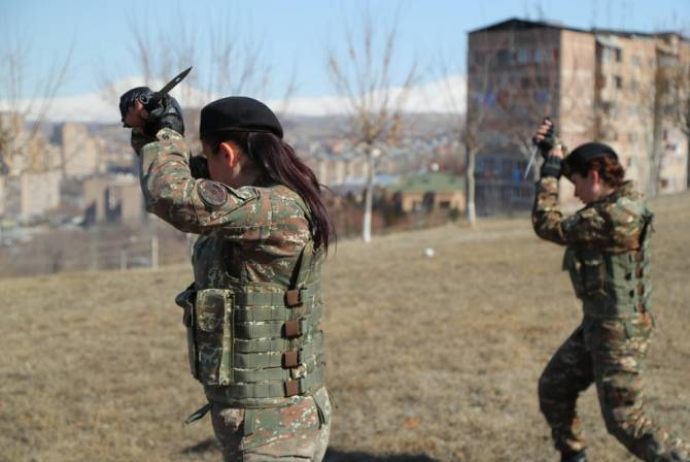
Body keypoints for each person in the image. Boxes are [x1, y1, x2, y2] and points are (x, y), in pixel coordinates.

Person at [121, 91, 333, 462]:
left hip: (274, 433)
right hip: (266, 423)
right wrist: (148, 132)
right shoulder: (268, 200)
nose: (202, 166)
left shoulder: (273, 209)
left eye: (208, 156)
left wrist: (168, 132)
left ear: (229, 153)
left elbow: (171, 195)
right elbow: (195, 178)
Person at [531, 120, 689, 462]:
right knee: (555, 388)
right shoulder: (615, 204)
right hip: (599, 325)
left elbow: (547, 224)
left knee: (625, 421)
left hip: (619, 332)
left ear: (595, 177)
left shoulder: (615, 216)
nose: (574, 193)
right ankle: (574, 457)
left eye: (576, 184)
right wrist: (555, 151)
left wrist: (550, 171)